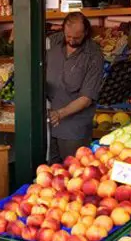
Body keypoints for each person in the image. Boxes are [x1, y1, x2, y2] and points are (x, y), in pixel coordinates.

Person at [45, 11, 104, 164]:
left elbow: (86, 98)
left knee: (73, 171)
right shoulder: (53, 42)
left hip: (73, 127)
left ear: (85, 33)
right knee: (50, 171)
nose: (71, 40)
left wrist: (60, 113)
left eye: (76, 38)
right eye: (68, 36)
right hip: (47, 123)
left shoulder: (93, 55)